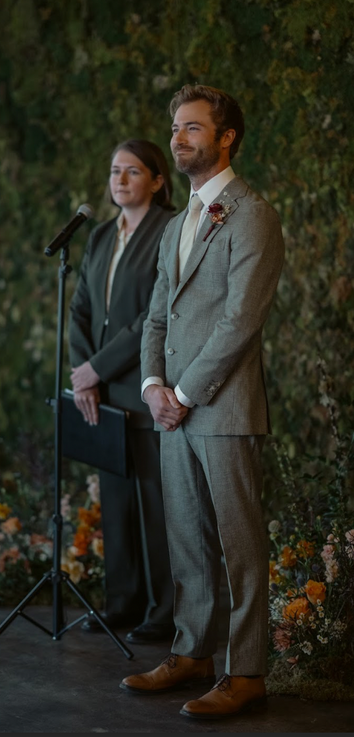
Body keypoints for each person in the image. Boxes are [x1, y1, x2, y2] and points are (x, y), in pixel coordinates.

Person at [120, 85, 285, 717]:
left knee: (239, 545)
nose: (179, 137)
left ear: (226, 137)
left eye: (192, 127)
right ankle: (191, 654)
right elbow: (156, 316)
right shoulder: (176, 224)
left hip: (225, 409)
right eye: (175, 128)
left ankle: (246, 673)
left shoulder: (252, 215)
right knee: (186, 538)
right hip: (172, 411)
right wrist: (152, 388)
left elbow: (241, 320)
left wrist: (184, 393)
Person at [68, 139, 176, 644]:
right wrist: (84, 373)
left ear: (157, 180)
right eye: (115, 171)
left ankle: (165, 612)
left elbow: (154, 315)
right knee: (114, 503)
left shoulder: (169, 230)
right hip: (102, 393)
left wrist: (99, 367)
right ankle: (121, 603)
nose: (121, 180)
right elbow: (80, 310)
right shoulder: (100, 236)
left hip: (145, 387)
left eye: (132, 171)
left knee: (156, 505)